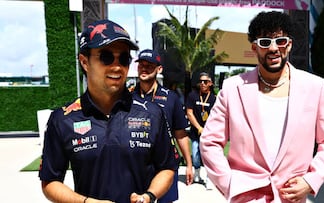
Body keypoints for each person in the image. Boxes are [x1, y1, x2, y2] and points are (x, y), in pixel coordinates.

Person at [199, 11, 324, 203]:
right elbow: (209, 142)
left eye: (280, 41)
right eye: (265, 42)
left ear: (289, 44)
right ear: (255, 47)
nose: (274, 48)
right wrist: (230, 184)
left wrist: (311, 180)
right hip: (246, 197)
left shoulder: (315, 87)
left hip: (291, 196)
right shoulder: (232, 88)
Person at [39, 19, 177, 203]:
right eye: (106, 57)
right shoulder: (63, 119)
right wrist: (85, 202)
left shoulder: (152, 113)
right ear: (84, 62)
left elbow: (167, 168)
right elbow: (50, 181)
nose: (117, 66)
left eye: (124, 58)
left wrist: (149, 196)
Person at [133, 49, 194, 203]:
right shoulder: (127, 97)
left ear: (159, 69)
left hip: (165, 166)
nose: (144, 68)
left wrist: (189, 163)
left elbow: (180, 133)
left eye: (149, 65)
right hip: (137, 165)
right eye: (141, 65)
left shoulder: (171, 98)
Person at [185, 72, 216, 188]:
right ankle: (197, 173)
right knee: (196, 154)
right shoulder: (192, 96)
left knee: (209, 156)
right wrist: (198, 128)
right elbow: (189, 113)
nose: (203, 84)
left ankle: (209, 178)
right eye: (201, 81)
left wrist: (208, 130)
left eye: (206, 82)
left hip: (209, 133)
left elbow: (216, 116)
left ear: (210, 84)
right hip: (195, 132)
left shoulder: (214, 98)